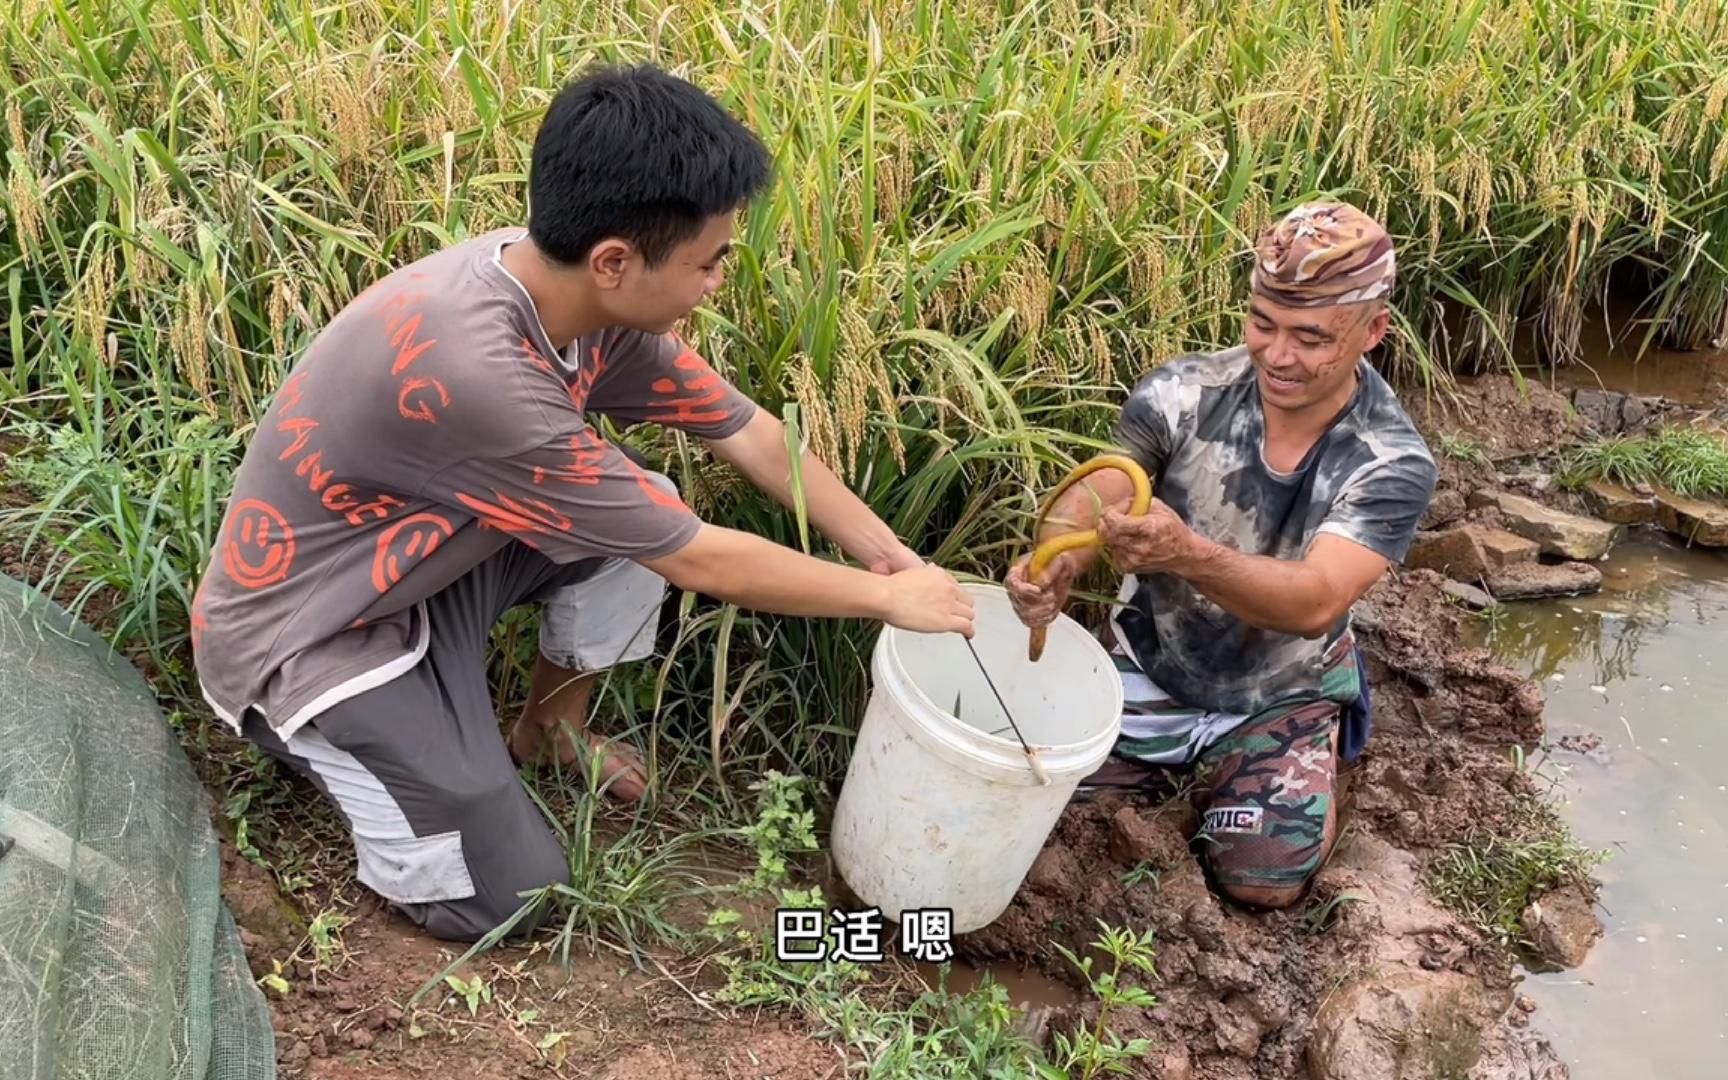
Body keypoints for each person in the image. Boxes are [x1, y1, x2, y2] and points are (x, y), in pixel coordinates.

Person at [190, 64, 975, 943]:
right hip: (309, 638)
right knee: (512, 896)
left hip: (418, 565)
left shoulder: (569, 293)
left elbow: (750, 434)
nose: (719, 279)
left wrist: (887, 554)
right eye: (708, 261)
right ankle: (348, 755)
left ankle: (548, 731)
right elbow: (698, 559)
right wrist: (888, 603)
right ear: (615, 260)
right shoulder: (485, 379)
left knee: (640, 513)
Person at [1005, 202, 1437, 910]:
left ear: (1373, 331)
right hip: (1155, 657)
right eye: (1262, 324)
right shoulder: (1183, 391)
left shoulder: (1389, 459)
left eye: (1311, 337)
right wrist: (1057, 555)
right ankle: (1179, 758)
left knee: (1259, 879)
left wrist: (1187, 554)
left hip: (1280, 686)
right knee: (1037, 807)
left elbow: (1317, 600)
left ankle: (1311, 751)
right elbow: (1110, 480)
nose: (1277, 355)